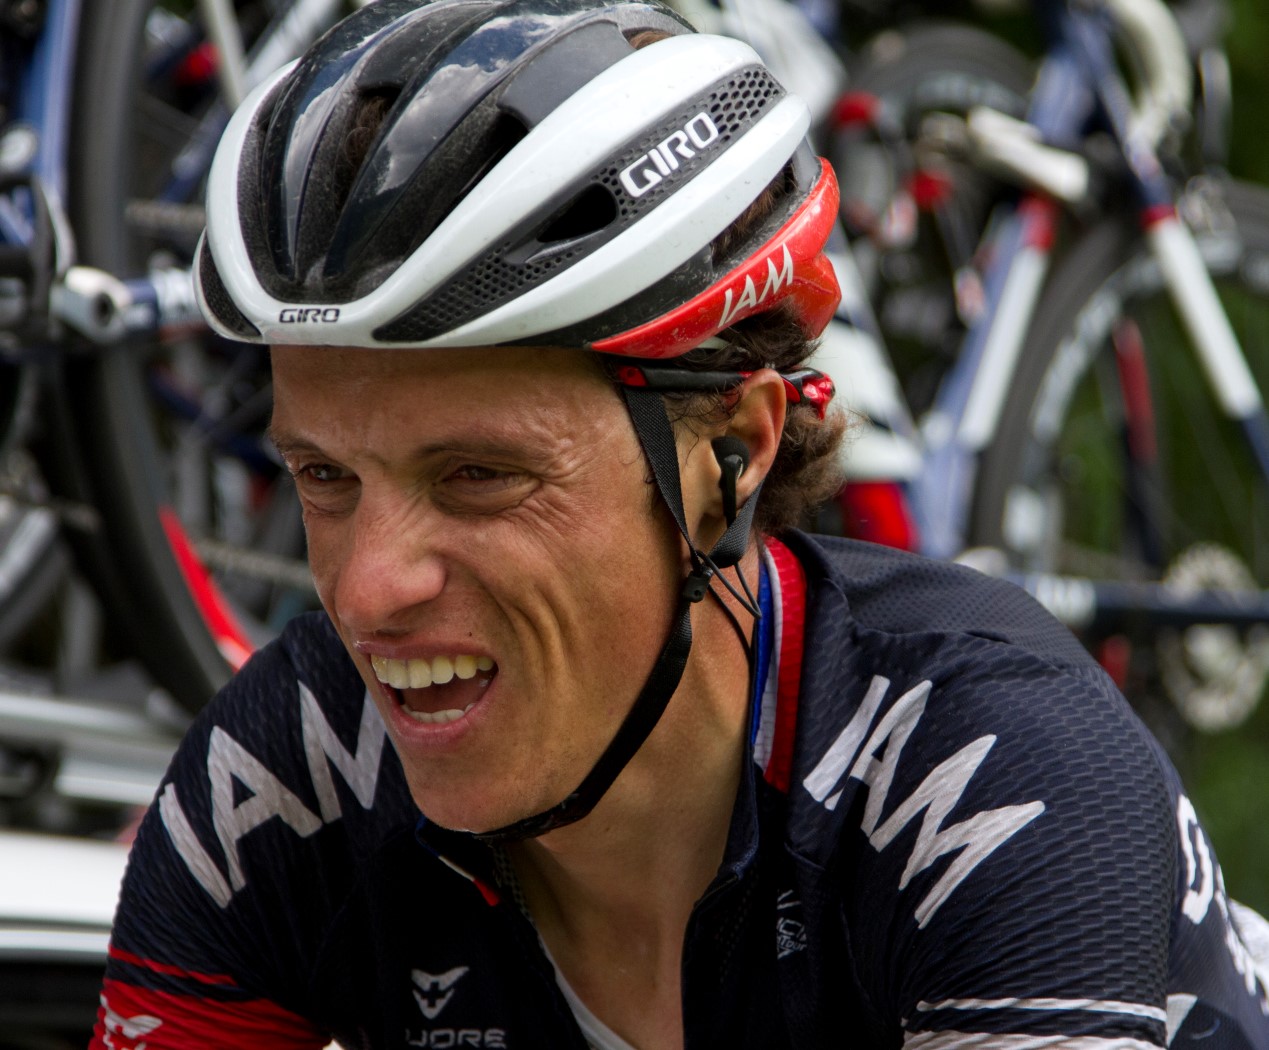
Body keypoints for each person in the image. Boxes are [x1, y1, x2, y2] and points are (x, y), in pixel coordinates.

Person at [92, 0, 1269, 1047]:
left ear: (732, 454)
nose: (365, 590)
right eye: (323, 477)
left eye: (479, 477)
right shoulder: (286, 779)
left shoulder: (993, 770)